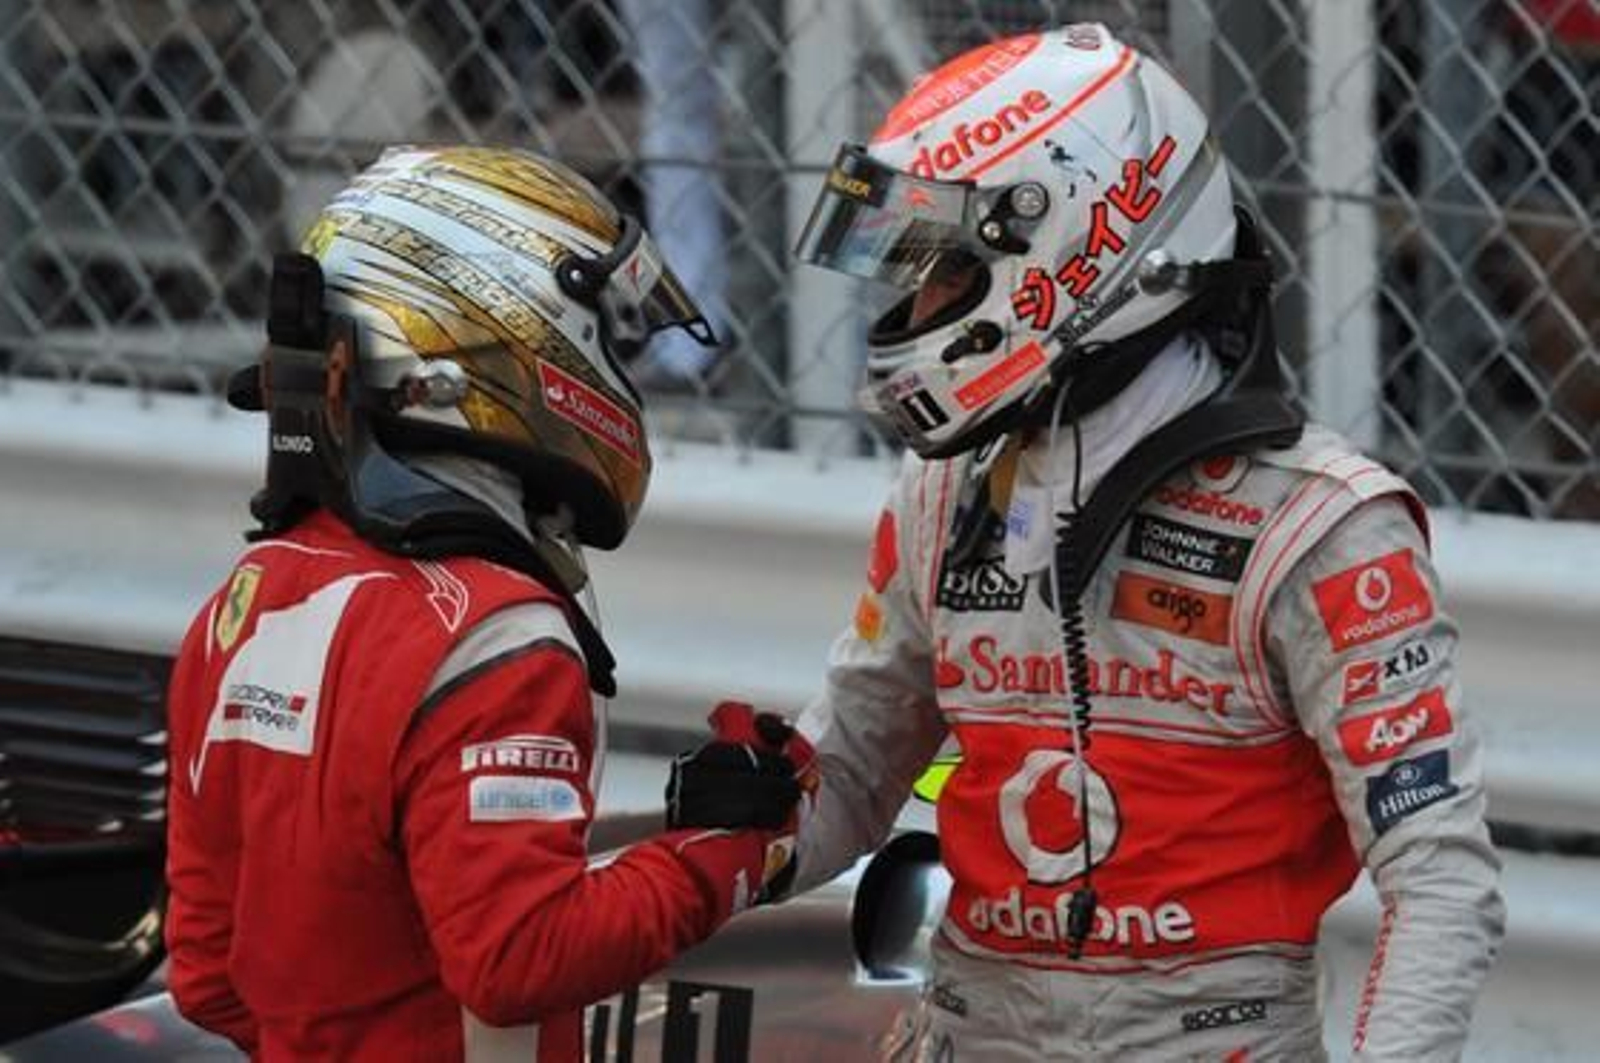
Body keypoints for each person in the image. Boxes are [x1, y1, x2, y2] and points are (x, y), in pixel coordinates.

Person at [687, 24, 1504, 1060]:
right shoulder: (942, 490)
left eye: (942, 269)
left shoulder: (1320, 526)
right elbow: (848, 781)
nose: (914, 306)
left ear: (1073, 244)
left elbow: (1438, 876)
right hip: (966, 1025)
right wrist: (728, 827)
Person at [163, 145, 812, 1061]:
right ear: (508, 336)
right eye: (607, 335)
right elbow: (519, 956)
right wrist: (726, 854)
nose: (616, 364)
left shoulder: (245, 599)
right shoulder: (497, 635)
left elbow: (205, 972)